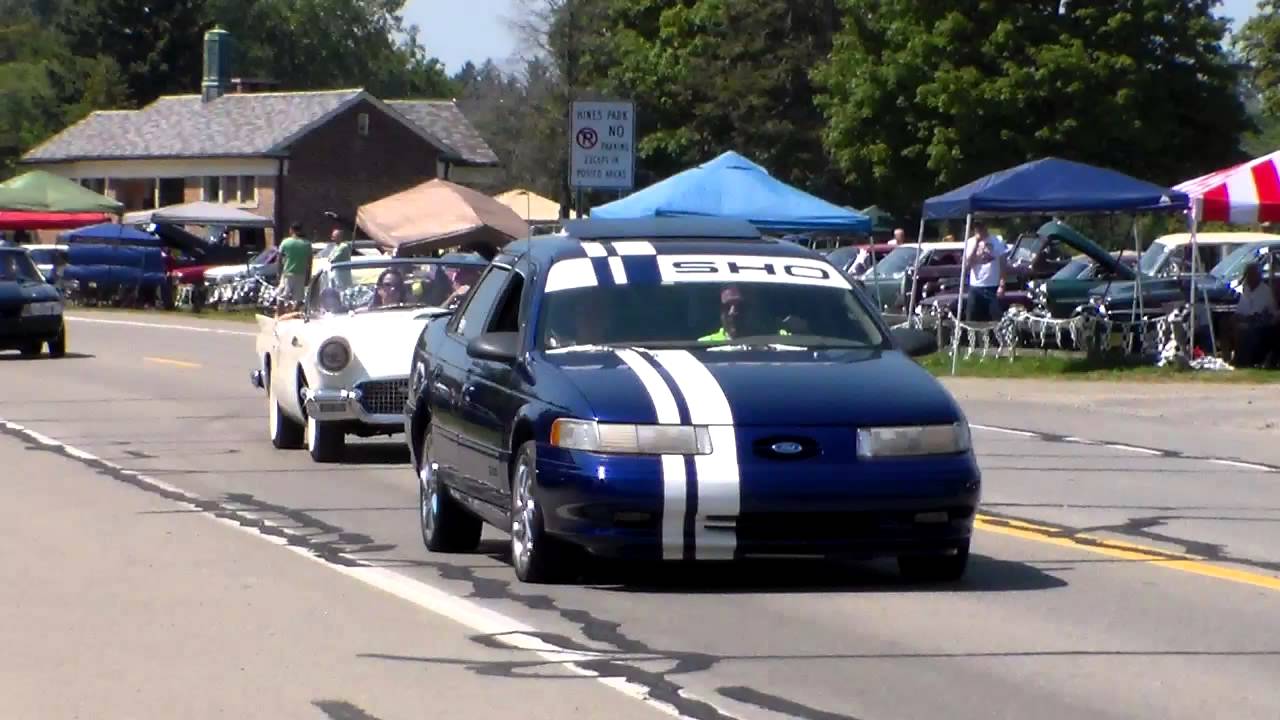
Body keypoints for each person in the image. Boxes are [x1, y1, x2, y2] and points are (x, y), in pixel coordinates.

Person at [699, 285, 790, 342]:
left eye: (741, 306)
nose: (732, 312)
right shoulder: (704, 346)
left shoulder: (784, 342)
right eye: (727, 307)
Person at [1233, 263, 1277, 367]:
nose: (1248, 277)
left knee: (1247, 329)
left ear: (1257, 275)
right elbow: (1240, 310)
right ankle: (1229, 358)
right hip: (1244, 319)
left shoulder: (1265, 291)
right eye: (1247, 274)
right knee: (1226, 324)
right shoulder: (1245, 290)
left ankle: (1243, 360)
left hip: (1259, 322)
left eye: (1250, 274)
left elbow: (1269, 312)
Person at [962, 220, 1007, 321]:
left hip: (992, 286)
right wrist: (977, 243)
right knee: (972, 318)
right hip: (976, 287)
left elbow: (1003, 264)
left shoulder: (997, 241)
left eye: (981, 226)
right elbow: (968, 264)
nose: (979, 229)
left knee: (995, 318)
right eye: (976, 227)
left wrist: (1002, 284)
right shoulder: (970, 242)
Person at [276, 223, 312, 309]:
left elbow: (279, 259)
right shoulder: (307, 244)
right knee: (298, 299)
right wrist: (308, 275)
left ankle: (279, 315)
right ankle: (294, 314)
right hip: (301, 274)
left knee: (281, 297)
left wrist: (278, 272)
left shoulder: (286, 242)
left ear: (291, 230)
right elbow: (310, 262)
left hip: (288, 273)